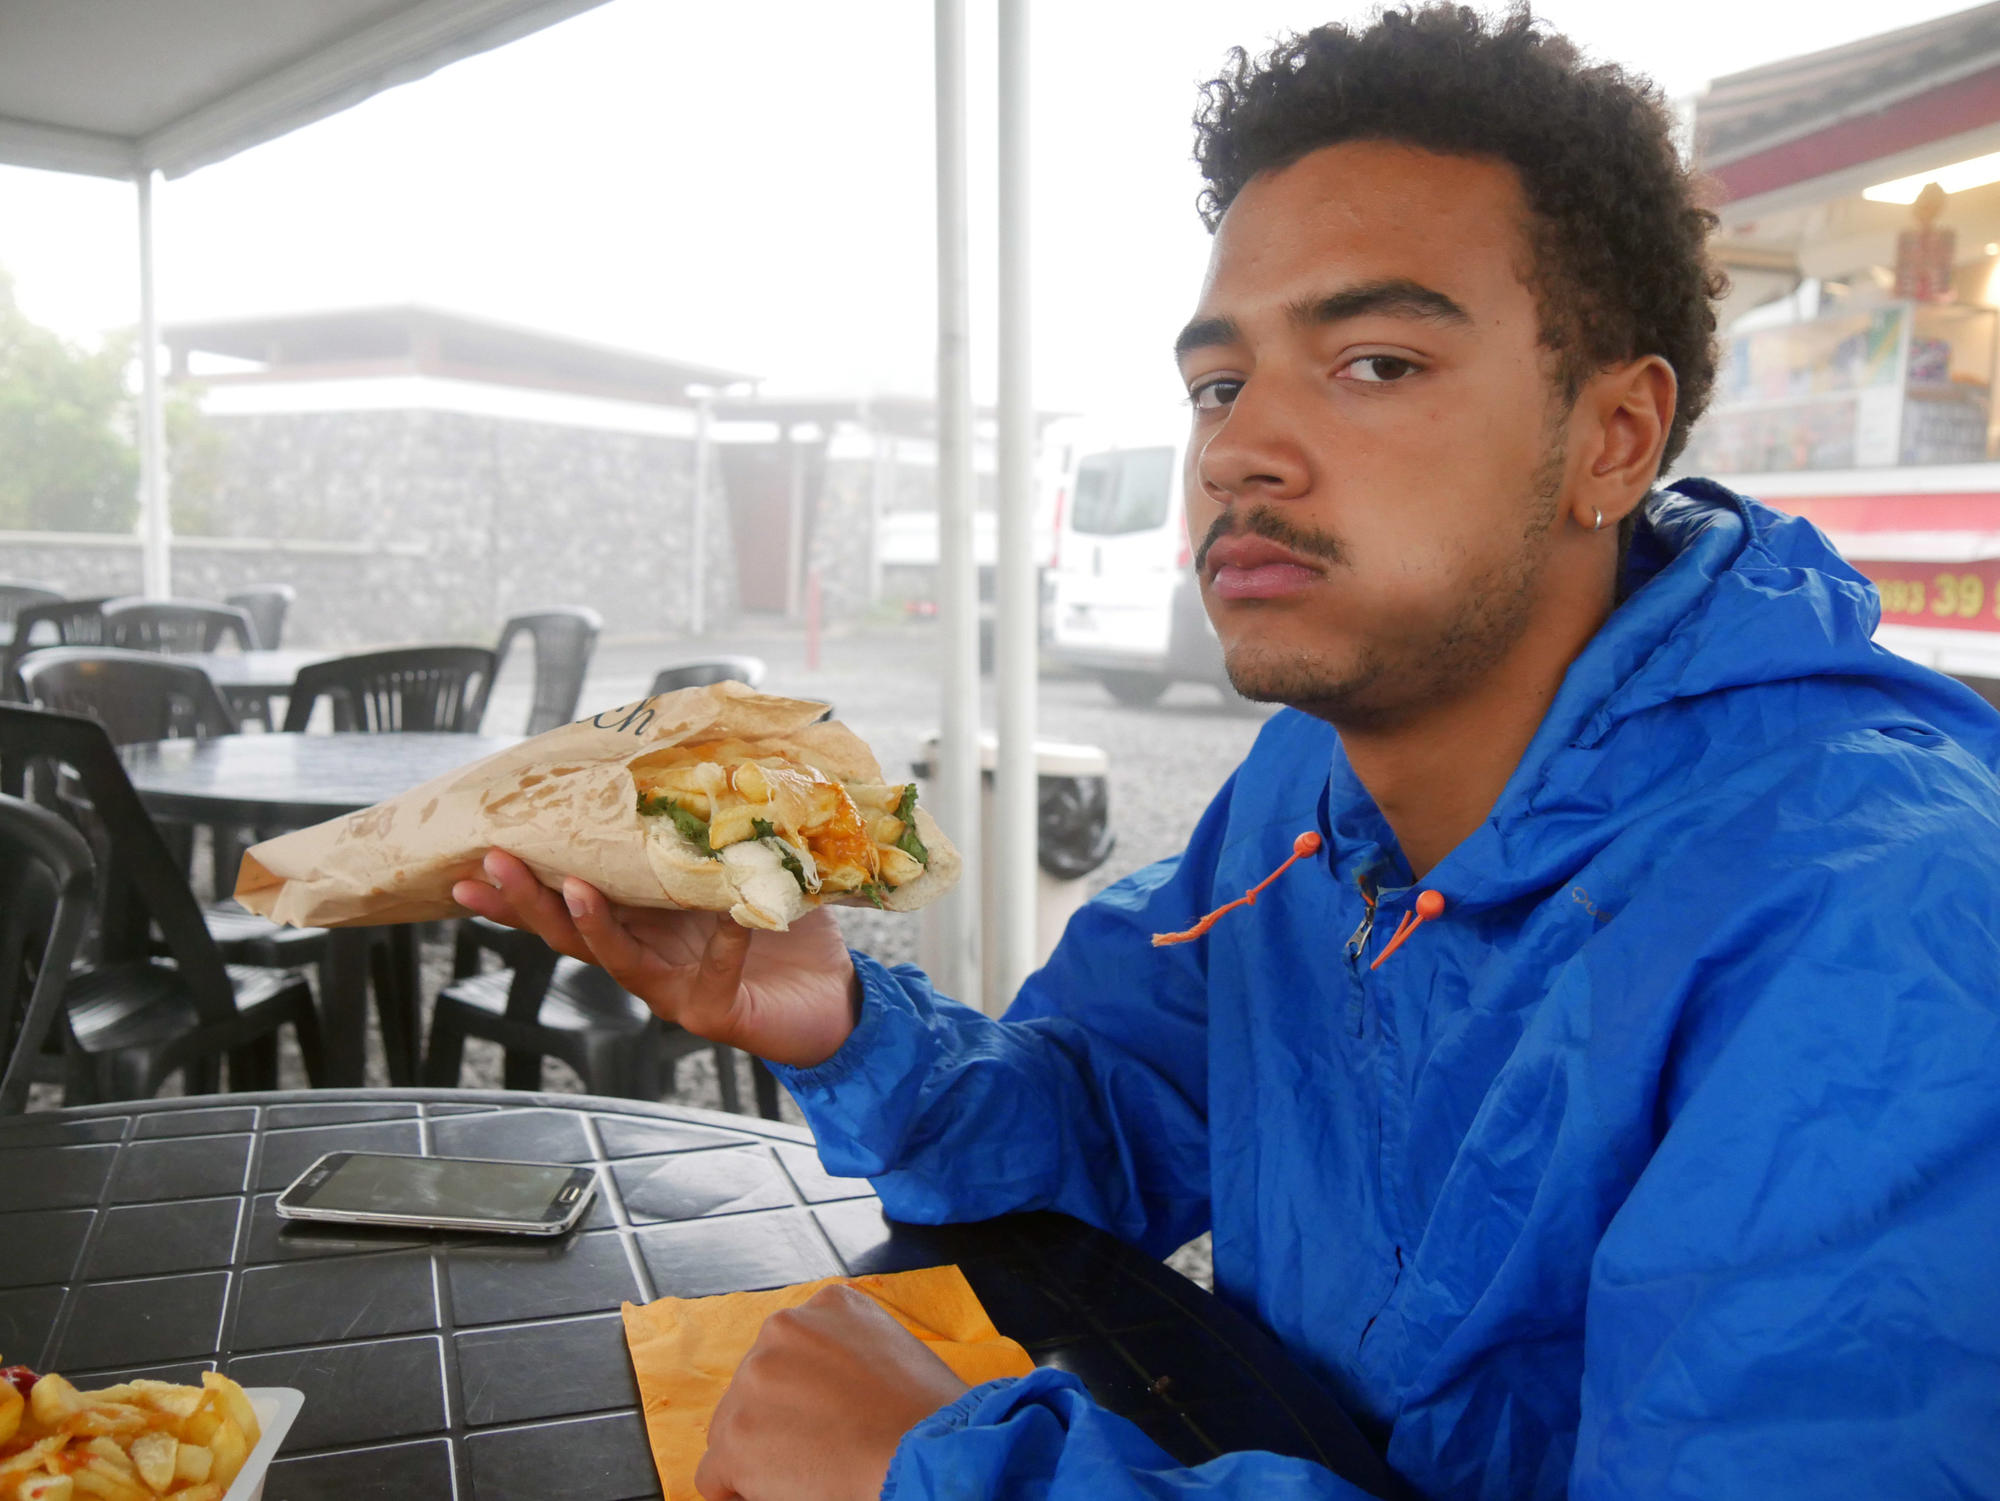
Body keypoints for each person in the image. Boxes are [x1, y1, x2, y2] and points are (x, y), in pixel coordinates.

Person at [457, 7, 2000, 1498]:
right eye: (1217, 379)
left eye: (1376, 361)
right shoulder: (1303, 799)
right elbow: (1103, 1112)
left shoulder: (1879, 924)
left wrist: (947, 1475)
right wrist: (845, 1018)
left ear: (1613, 436)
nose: (1235, 448)